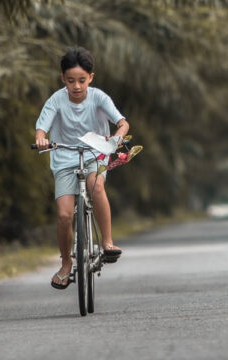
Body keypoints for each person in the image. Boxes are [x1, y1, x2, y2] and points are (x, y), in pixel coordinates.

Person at [35, 47, 130, 290]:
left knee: (95, 185)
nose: (76, 86)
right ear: (62, 79)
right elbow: (41, 128)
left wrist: (117, 136)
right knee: (64, 215)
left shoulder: (99, 97)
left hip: (95, 154)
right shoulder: (56, 100)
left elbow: (122, 122)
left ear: (91, 78)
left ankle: (107, 243)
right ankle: (66, 263)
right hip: (64, 158)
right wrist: (41, 138)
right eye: (70, 81)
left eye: (81, 80)